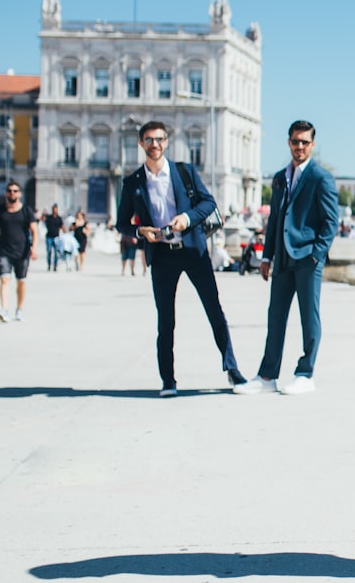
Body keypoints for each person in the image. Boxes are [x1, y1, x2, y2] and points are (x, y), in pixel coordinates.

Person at [116, 120, 247, 397]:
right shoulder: (132, 183)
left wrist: (186, 219)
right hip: (162, 255)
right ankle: (168, 380)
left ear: (167, 142)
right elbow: (121, 223)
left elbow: (209, 203)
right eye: (149, 140)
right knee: (166, 320)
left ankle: (233, 369)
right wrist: (141, 231)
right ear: (141, 143)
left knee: (214, 310)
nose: (155, 145)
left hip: (193, 250)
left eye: (160, 139)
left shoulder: (184, 172)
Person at [232, 120, 339, 395]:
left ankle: (305, 373)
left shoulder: (321, 177)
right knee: (275, 316)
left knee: (308, 317)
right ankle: (267, 376)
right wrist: (266, 257)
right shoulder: (280, 177)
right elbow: (276, 220)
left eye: (304, 142)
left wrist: (316, 255)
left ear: (312, 145)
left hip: (307, 258)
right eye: (295, 141)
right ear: (289, 142)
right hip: (281, 258)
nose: (299, 146)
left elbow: (330, 223)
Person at [0, 180, 40, 322]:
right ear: (5, 193)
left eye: (15, 191)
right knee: (4, 279)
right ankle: (4, 310)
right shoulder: (0, 211)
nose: (12, 193)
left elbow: (35, 231)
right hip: (4, 251)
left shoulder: (26, 211)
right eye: (9, 190)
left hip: (22, 252)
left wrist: (34, 249)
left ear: (20, 194)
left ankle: (19, 309)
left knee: (21, 281)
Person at [43, 204, 65, 271]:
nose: (55, 210)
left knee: (56, 253)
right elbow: (42, 219)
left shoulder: (59, 218)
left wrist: (66, 234)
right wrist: (44, 213)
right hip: (49, 237)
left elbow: (62, 226)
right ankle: (49, 265)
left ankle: (55, 266)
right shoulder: (49, 217)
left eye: (56, 209)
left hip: (56, 238)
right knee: (49, 251)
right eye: (54, 209)